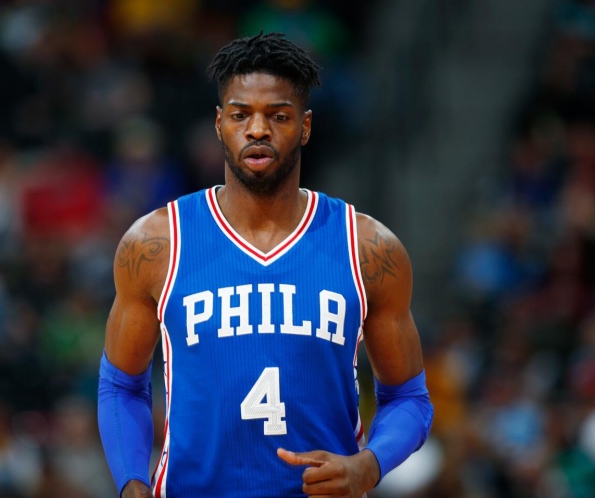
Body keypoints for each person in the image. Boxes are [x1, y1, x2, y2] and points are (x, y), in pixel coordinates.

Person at [98, 32, 433, 498]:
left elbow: (409, 397)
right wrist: (131, 482)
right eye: (241, 115)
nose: (258, 130)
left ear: (305, 126)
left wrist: (369, 465)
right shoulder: (157, 243)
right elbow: (121, 386)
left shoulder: (368, 247)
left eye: (278, 115)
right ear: (219, 124)